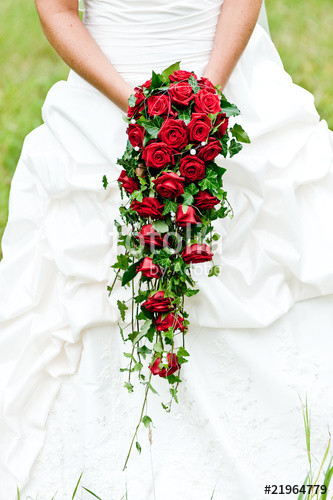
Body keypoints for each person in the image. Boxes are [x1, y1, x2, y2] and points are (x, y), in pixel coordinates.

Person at [1, 0, 333, 498]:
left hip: (224, 71)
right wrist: (136, 106)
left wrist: (207, 97)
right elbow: (58, 9)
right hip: (106, 91)